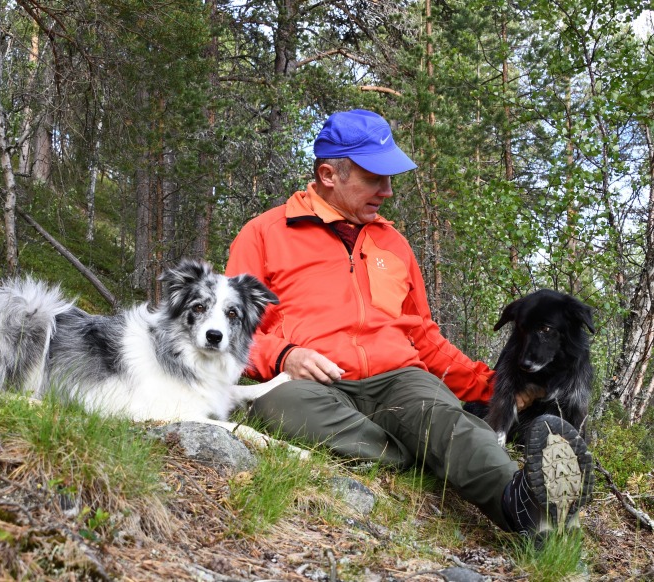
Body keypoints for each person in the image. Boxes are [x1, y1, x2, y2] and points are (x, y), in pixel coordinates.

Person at [225, 109, 593, 537]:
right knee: (280, 406)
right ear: (328, 175)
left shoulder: (394, 244)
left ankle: (524, 507)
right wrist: (285, 355)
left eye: (389, 178)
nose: (387, 190)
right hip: (314, 384)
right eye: (374, 178)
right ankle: (415, 454)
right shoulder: (264, 234)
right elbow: (230, 330)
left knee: (445, 419)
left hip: (400, 380)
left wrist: (491, 386)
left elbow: (423, 337)